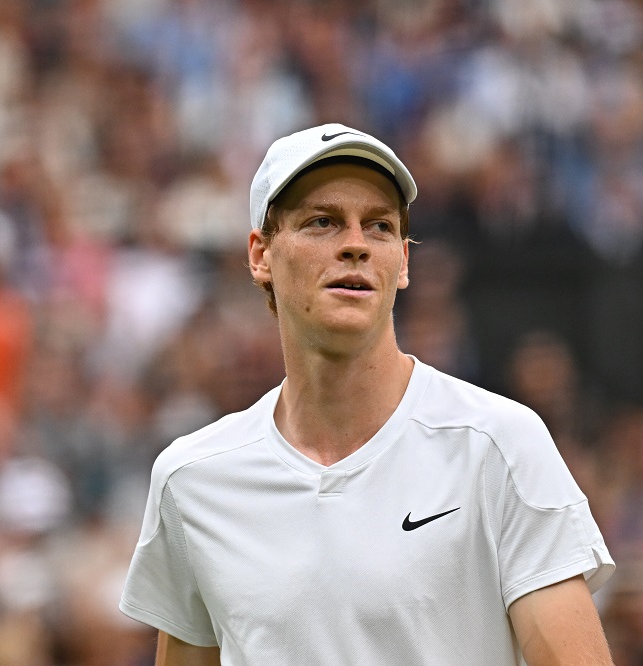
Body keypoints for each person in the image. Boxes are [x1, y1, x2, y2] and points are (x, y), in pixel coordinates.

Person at [120, 124, 616, 665]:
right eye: (322, 222)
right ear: (261, 255)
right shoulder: (191, 479)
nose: (355, 244)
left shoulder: (501, 445)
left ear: (402, 261)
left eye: (378, 227)